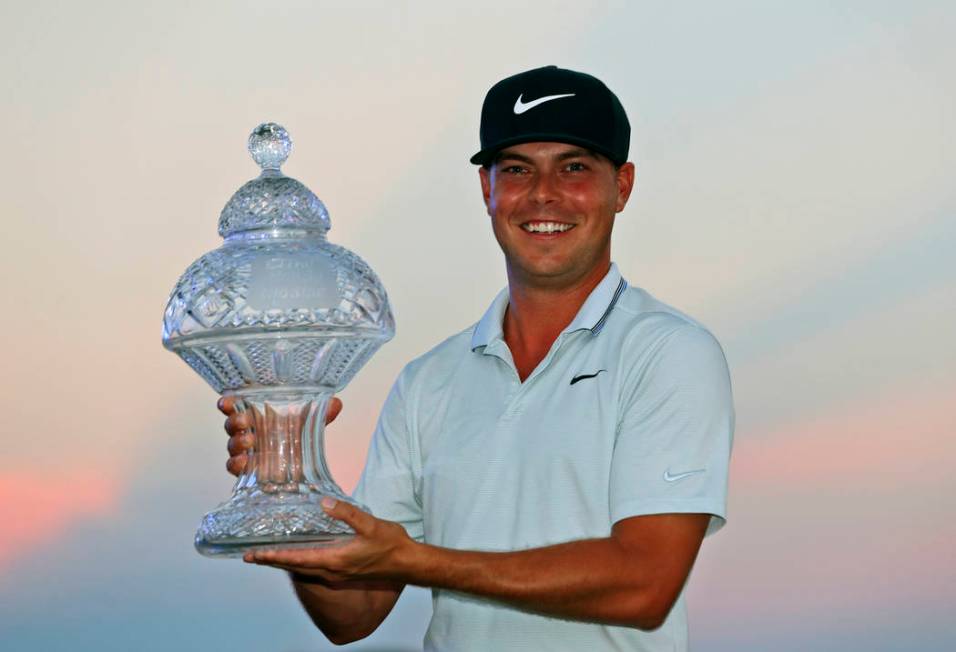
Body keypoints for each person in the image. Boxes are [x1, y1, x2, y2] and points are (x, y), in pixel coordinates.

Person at [220, 65, 734, 651]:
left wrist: (418, 561)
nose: (544, 194)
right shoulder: (427, 381)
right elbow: (352, 615)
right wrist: (290, 485)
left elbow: (644, 586)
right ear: (487, 189)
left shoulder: (668, 353)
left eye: (574, 167)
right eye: (517, 169)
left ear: (622, 185)